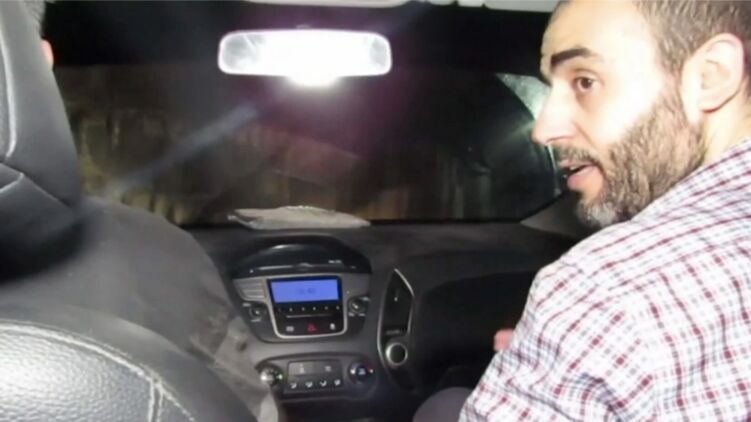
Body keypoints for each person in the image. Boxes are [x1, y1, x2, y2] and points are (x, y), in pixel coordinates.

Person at [415, 0, 751, 420]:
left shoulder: (607, 285)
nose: (543, 130)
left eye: (585, 82)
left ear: (710, 75)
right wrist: (576, 356)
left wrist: (582, 332)